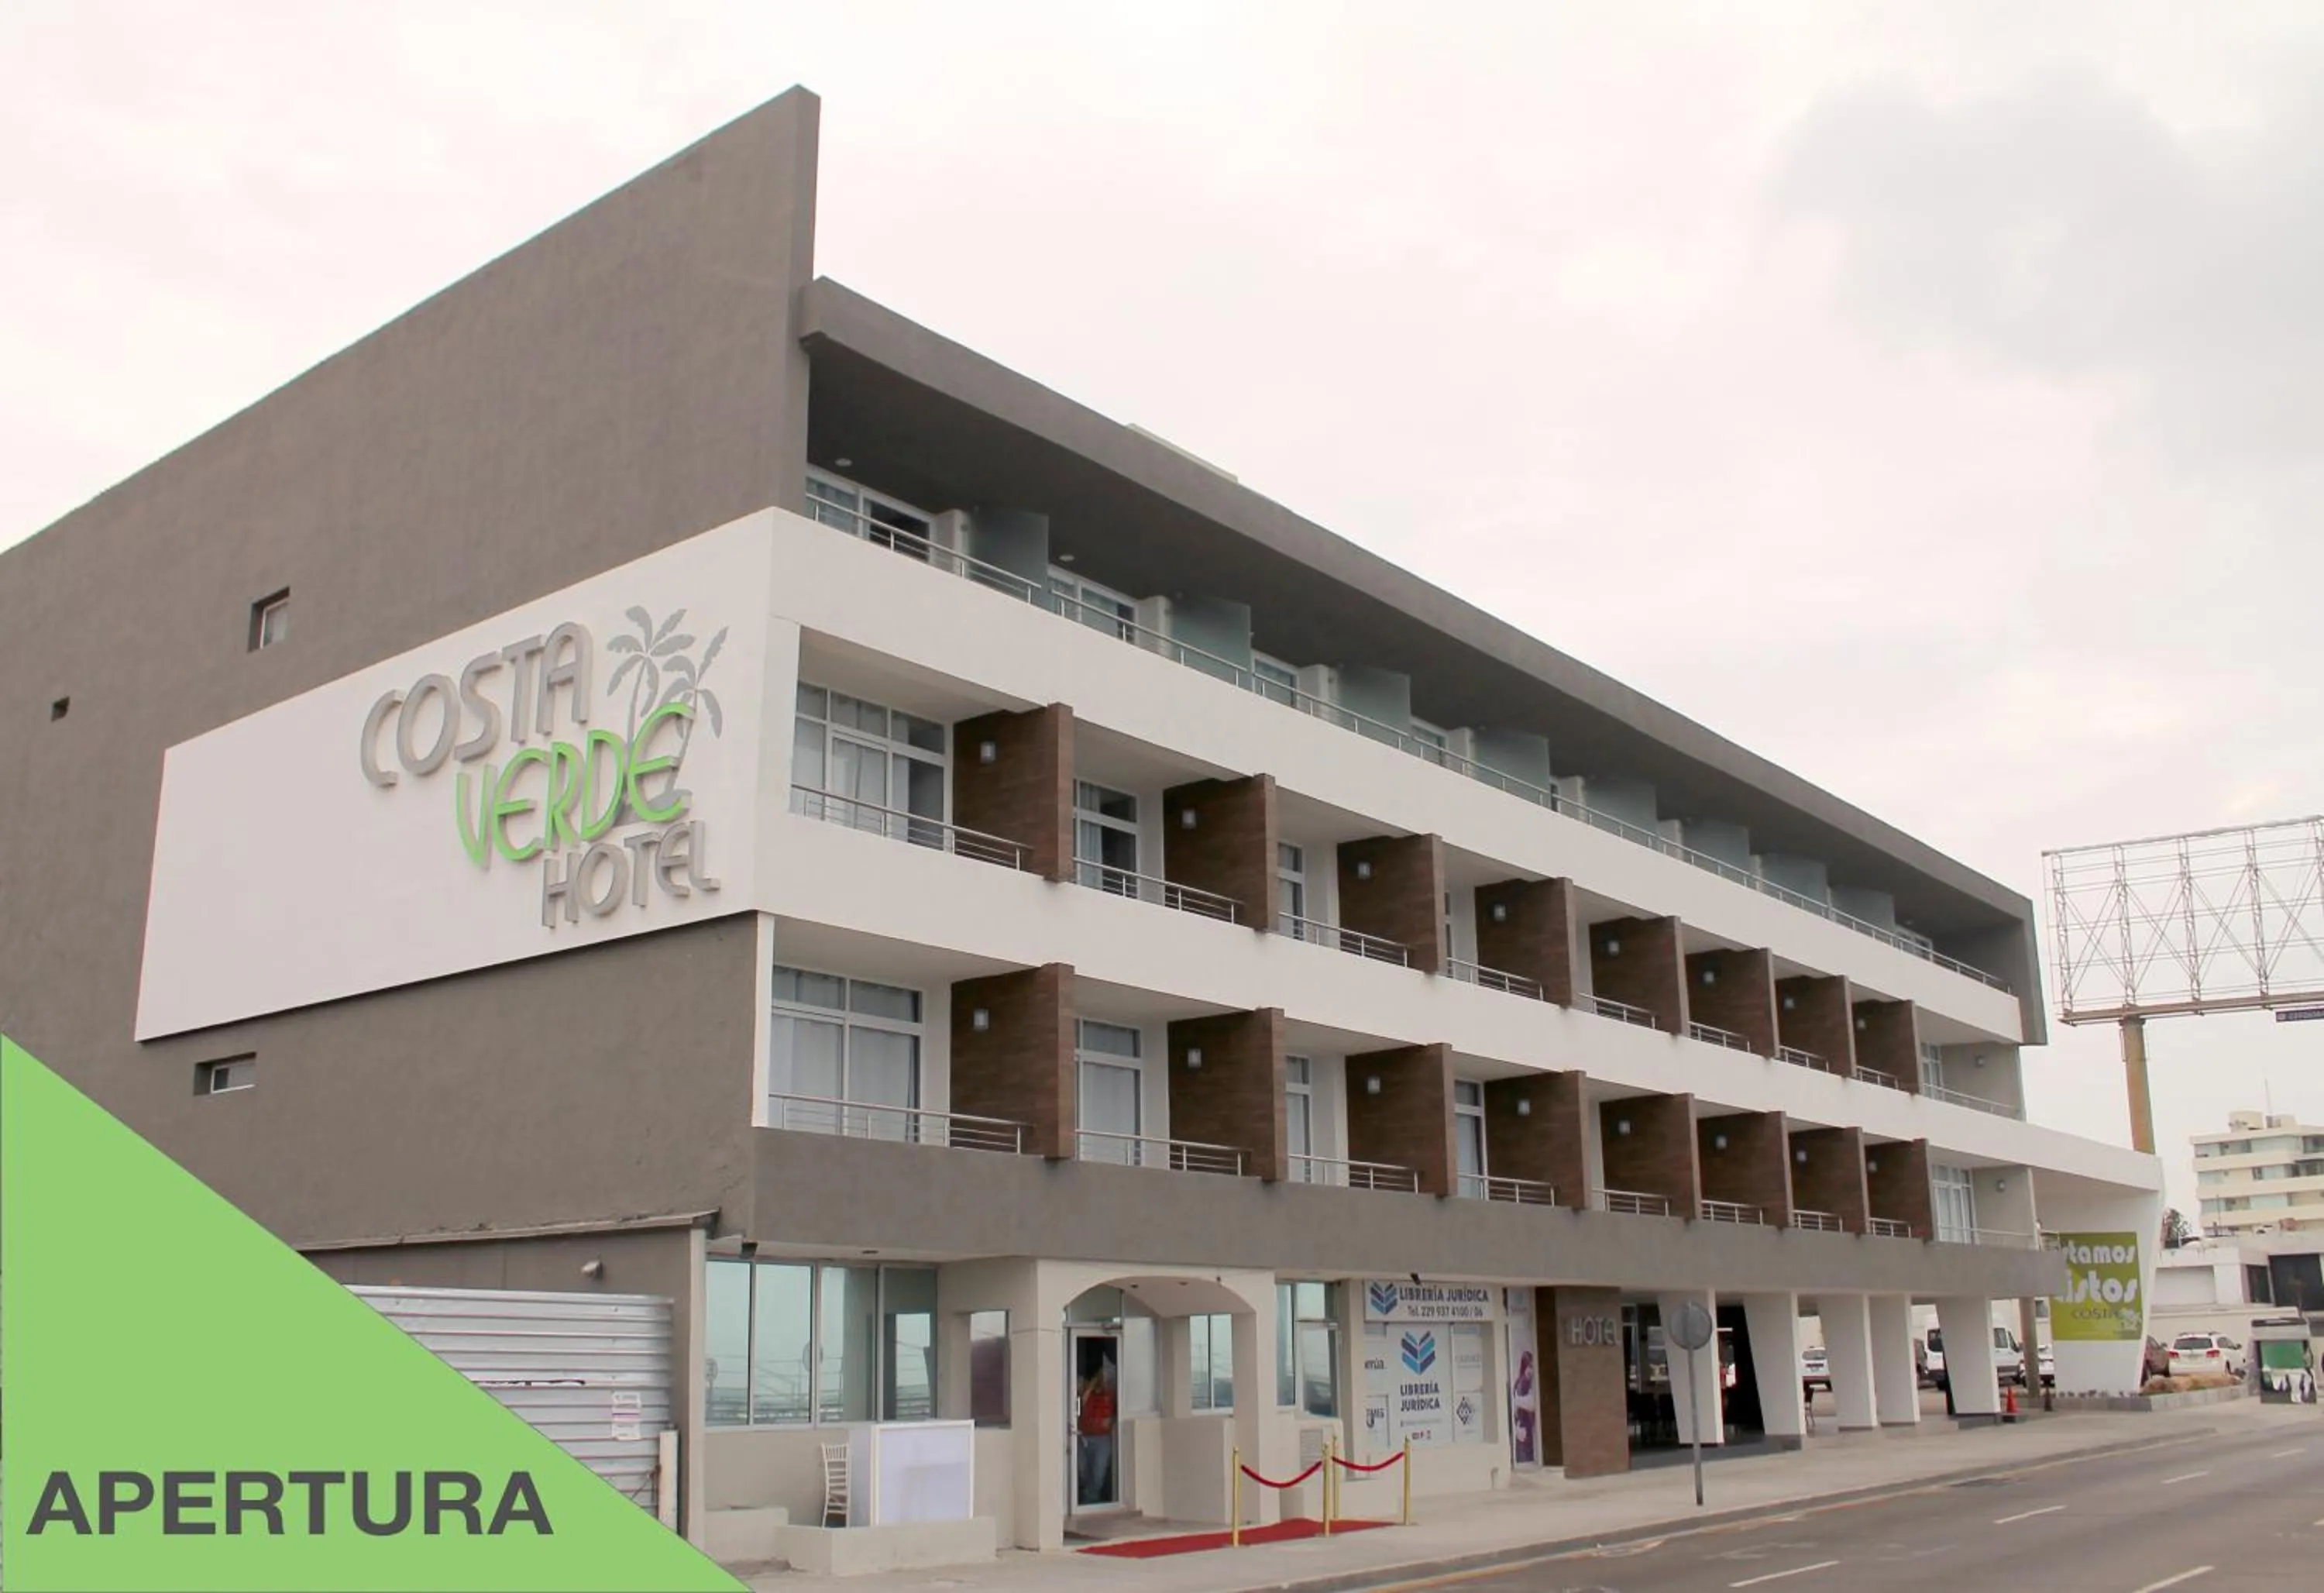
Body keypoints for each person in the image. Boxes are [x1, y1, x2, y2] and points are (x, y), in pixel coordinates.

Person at [1077, 1361, 1116, 1505]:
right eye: (1100, 1375)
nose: (1103, 1379)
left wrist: (1111, 1420)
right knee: (1083, 1470)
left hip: (1102, 1438)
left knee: (1098, 1472)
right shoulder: (1086, 1393)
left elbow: (1119, 1411)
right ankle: (1089, 1499)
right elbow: (1079, 1406)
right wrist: (1090, 1387)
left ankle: (1092, 1501)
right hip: (1084, 1437)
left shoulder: (1110, 1393)